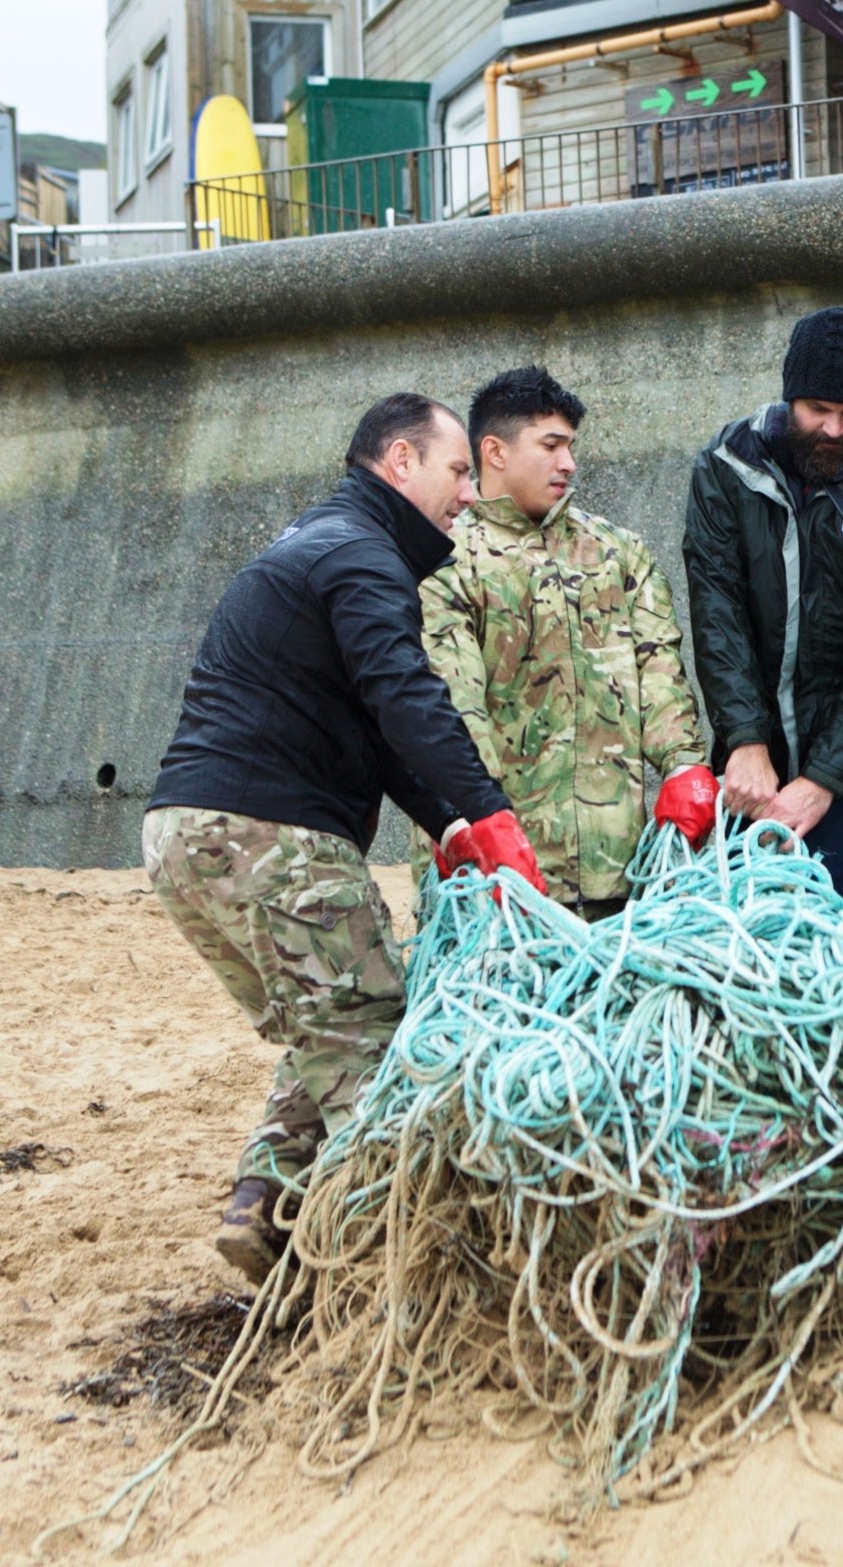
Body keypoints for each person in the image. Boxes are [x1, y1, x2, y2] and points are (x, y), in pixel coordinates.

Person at [144, 393, 544, 1283]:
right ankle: (405, 1273)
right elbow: (406, 697)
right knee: (369, 1041)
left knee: (323, 1020)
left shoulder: (317, 540)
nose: (467, 498)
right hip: (272, 837)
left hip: (181, 836)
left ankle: (265, 1205)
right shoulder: (364, 557)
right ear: (399, 462)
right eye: (454, 473)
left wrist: (446, 826)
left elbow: (371, 722)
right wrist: (488, 813)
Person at [421, 367, 716, 921]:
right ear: (495, 451)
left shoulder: (616, 552)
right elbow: (447, 706)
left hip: (617, 874)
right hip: (495, 873)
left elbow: (659, 668)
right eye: (551, 445)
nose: (569, 464)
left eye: (571, 446)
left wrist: (682, 767)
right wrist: (472, 822)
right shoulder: (442, 560)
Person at [682, 306, 843, 901]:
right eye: (818, 410)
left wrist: (826, 778)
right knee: (721, 920)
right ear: (789, 399)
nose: (832, 428)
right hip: (754, 749)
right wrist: (744, 740)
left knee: (809, 917)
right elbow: (716, 609)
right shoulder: (727, 465)